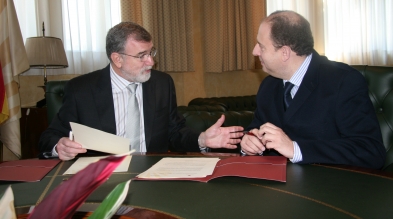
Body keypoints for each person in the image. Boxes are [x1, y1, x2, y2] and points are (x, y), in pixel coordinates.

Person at [39, 22, 244, 161]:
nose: (151, 62)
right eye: (142, 55)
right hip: (103, 181)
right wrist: (60, 146)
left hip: (153, 177)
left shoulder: (162, 84)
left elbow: (174, 133)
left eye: (151, 52)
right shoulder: (82, 90)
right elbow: (51, 136)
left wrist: (202, 139)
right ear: (117, 59)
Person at [240, 10, 386, 169]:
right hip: (275, 187)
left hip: (328, 187)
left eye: (261, 46)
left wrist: (295, 149)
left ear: (285, 53)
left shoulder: (343, 82)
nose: (255, 51)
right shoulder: (269, 85)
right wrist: (249, 140)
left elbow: (370, 151)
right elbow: (255, 129)